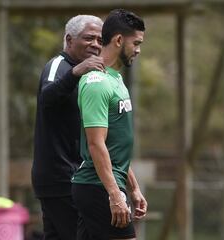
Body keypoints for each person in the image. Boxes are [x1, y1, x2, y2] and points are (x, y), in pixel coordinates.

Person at [71, 9, 147, 240]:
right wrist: (115, 194)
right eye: (136, 43)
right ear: (119, 40)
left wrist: (132, 187)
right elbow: (96, 144)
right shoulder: (97, 83)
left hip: (104, 185)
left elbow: (115, 146)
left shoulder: (115, 79)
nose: (138, 50)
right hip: (98, 187)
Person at [31, 15, 104, 240]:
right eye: (89, 38)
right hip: (59, 177)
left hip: (72, 176)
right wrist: (76, 72)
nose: (95, 44)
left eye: (100, 40)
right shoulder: (58, 66)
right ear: (70, 40)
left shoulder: (89, 74)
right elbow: (47, 97)